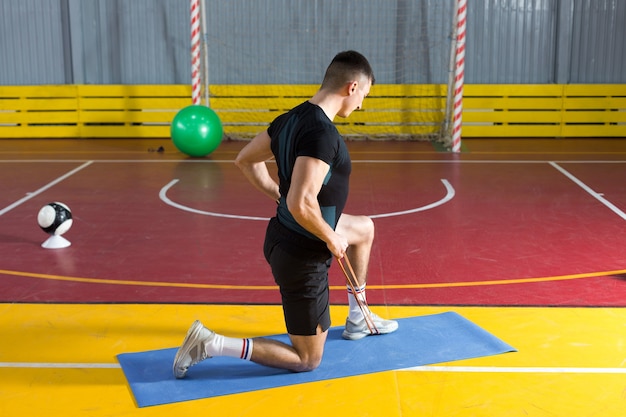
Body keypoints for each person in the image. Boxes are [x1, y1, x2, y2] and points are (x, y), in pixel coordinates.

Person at [172, 50, 398, 378]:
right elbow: (301, 204)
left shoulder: (288, 119)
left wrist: (283, 197)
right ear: (352, 87)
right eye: (364, 95)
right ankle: (210, 344)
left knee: (364, 228)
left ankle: (358, 317)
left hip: (284, 233)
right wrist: (329, 235)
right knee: (307, 359)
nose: (362, 104)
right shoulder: (322, 134)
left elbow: (246, 160)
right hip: (301, 257)